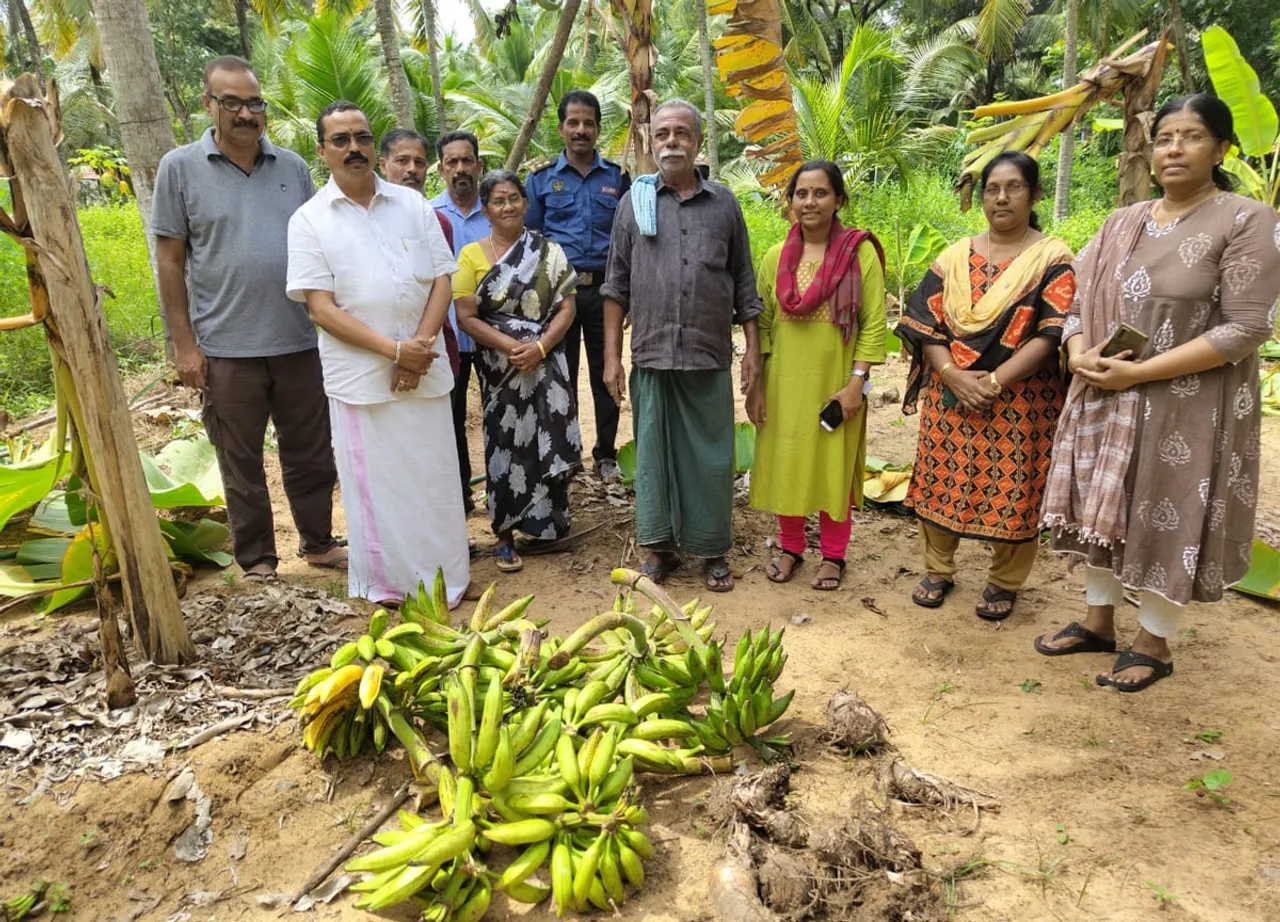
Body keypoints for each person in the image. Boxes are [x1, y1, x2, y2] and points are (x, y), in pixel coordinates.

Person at [1037, 94, 1280, 691]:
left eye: (1191, 136)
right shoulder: (1123, 221)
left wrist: (1140, 374)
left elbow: (1247, 327)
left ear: (1222, 148)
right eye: (1164, 137)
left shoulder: (1246, 219)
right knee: (1103, 504)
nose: (1173, 149)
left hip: (1189, 404)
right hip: (1105, 395)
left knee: (1170, 509)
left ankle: (1154, 640)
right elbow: (1076, 301)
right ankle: (1098, 621)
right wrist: (1077, 354)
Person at [152, 55, 346, 584]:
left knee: (310, 452)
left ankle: (319, 542)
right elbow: (169, 260)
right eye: (231, 102)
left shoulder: (292, 168)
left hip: (299, 339)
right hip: (224, 346)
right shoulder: (180, 167)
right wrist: (184, 346)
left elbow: (322, 246)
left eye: (253, 102)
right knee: (240, 462)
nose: (245, 113)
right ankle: (258, 558)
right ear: (207, 104)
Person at [286, 101, 469, 607]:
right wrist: (393, 351)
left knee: (432, 479)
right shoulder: (308, 221)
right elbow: (320, 308)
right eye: (341, 140)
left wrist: (417, 351)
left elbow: (441, 278)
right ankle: (391, 587)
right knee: (381, 489)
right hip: (362, 379)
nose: (354, 148)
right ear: (322, 151)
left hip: (423, 370)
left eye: (362, 138)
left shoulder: (414, 207)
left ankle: (447, 580)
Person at [896, 152, 1076, 620]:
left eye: (1014, 187)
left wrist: (996, 380)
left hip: (1020, 400)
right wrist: (953, 373)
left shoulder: (1051, 259)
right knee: (941, 479)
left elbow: (1050, 332)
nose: (1001, 197)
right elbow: (924, 325)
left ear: (1035, 194)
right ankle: (938, 570)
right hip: (951, 393)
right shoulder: (954, 258)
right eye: (993, 188)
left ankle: (1003, 582)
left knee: (1016, 486)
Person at [602, 99, 763, 593]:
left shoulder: (724, 204)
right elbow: (616, 284)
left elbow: (743, 282)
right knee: (654, 456)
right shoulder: (635, 202)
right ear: (652, 142)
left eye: (681, 133)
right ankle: (660, 549)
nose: (671, 141)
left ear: (696, 142)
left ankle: (713, 550)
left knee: (711, 458)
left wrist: (753, 351)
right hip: (651, 353)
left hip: (707, 353)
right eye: (663, 133)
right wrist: (611, 356)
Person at [748, 160, 887, 592]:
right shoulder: (775, 258)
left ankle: (833, 556)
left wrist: (856, 385)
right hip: (783, 380)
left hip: (837, 380)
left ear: (839, 200)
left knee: (833, 463)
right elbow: (763, 324)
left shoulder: (859, 253)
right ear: (789, 202)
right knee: (787, 460)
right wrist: (757, 384)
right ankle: (791, 547)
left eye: (820, 193)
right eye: (801, 194)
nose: (810, 201)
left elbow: (874, 323)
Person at [453, 170, 581, 573]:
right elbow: (465, 316)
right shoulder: (471, 255)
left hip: (545, 368)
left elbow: (567, 307)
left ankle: (547, 527)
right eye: (497, 201)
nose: (507, 206)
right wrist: (512, 347)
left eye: (514, 198)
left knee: (545, 438)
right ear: (486, 209)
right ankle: (505, 534)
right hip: (500, 370)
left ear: (525, 203)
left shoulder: (549, 251)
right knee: (504, 445)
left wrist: (540, 348)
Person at [525, 90, 630, 480]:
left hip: (606, 293)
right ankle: (567, 452)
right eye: (574, 122)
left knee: (608, 372)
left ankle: (606, 453)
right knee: (560, 375)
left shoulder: (617, 177)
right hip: (559, 295)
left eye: (589, 123)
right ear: (561, 128)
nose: (581, 130)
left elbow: (629, 239)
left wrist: (629, 294)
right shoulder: (540, 179)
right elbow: (532, 239)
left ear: (598, 129)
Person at [431, 131, 490, 514]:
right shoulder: (427, 215)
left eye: (467, 161)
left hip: (493, 336)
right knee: (448, 419)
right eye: (451, 162)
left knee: (500, 414)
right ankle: (460, 495)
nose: (460, 169)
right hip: (448, 336)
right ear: (441, 169)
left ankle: (503, 490)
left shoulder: (499, 209)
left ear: (479, 166)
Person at [379, 128, 462, 379]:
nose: (412, 169)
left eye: (419, 162)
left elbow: (442, 285)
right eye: (402, 160)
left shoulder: (439, 223)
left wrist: (416, 354)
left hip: (433, 347)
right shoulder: (362, 220)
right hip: (378, 350)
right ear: (383, 165)